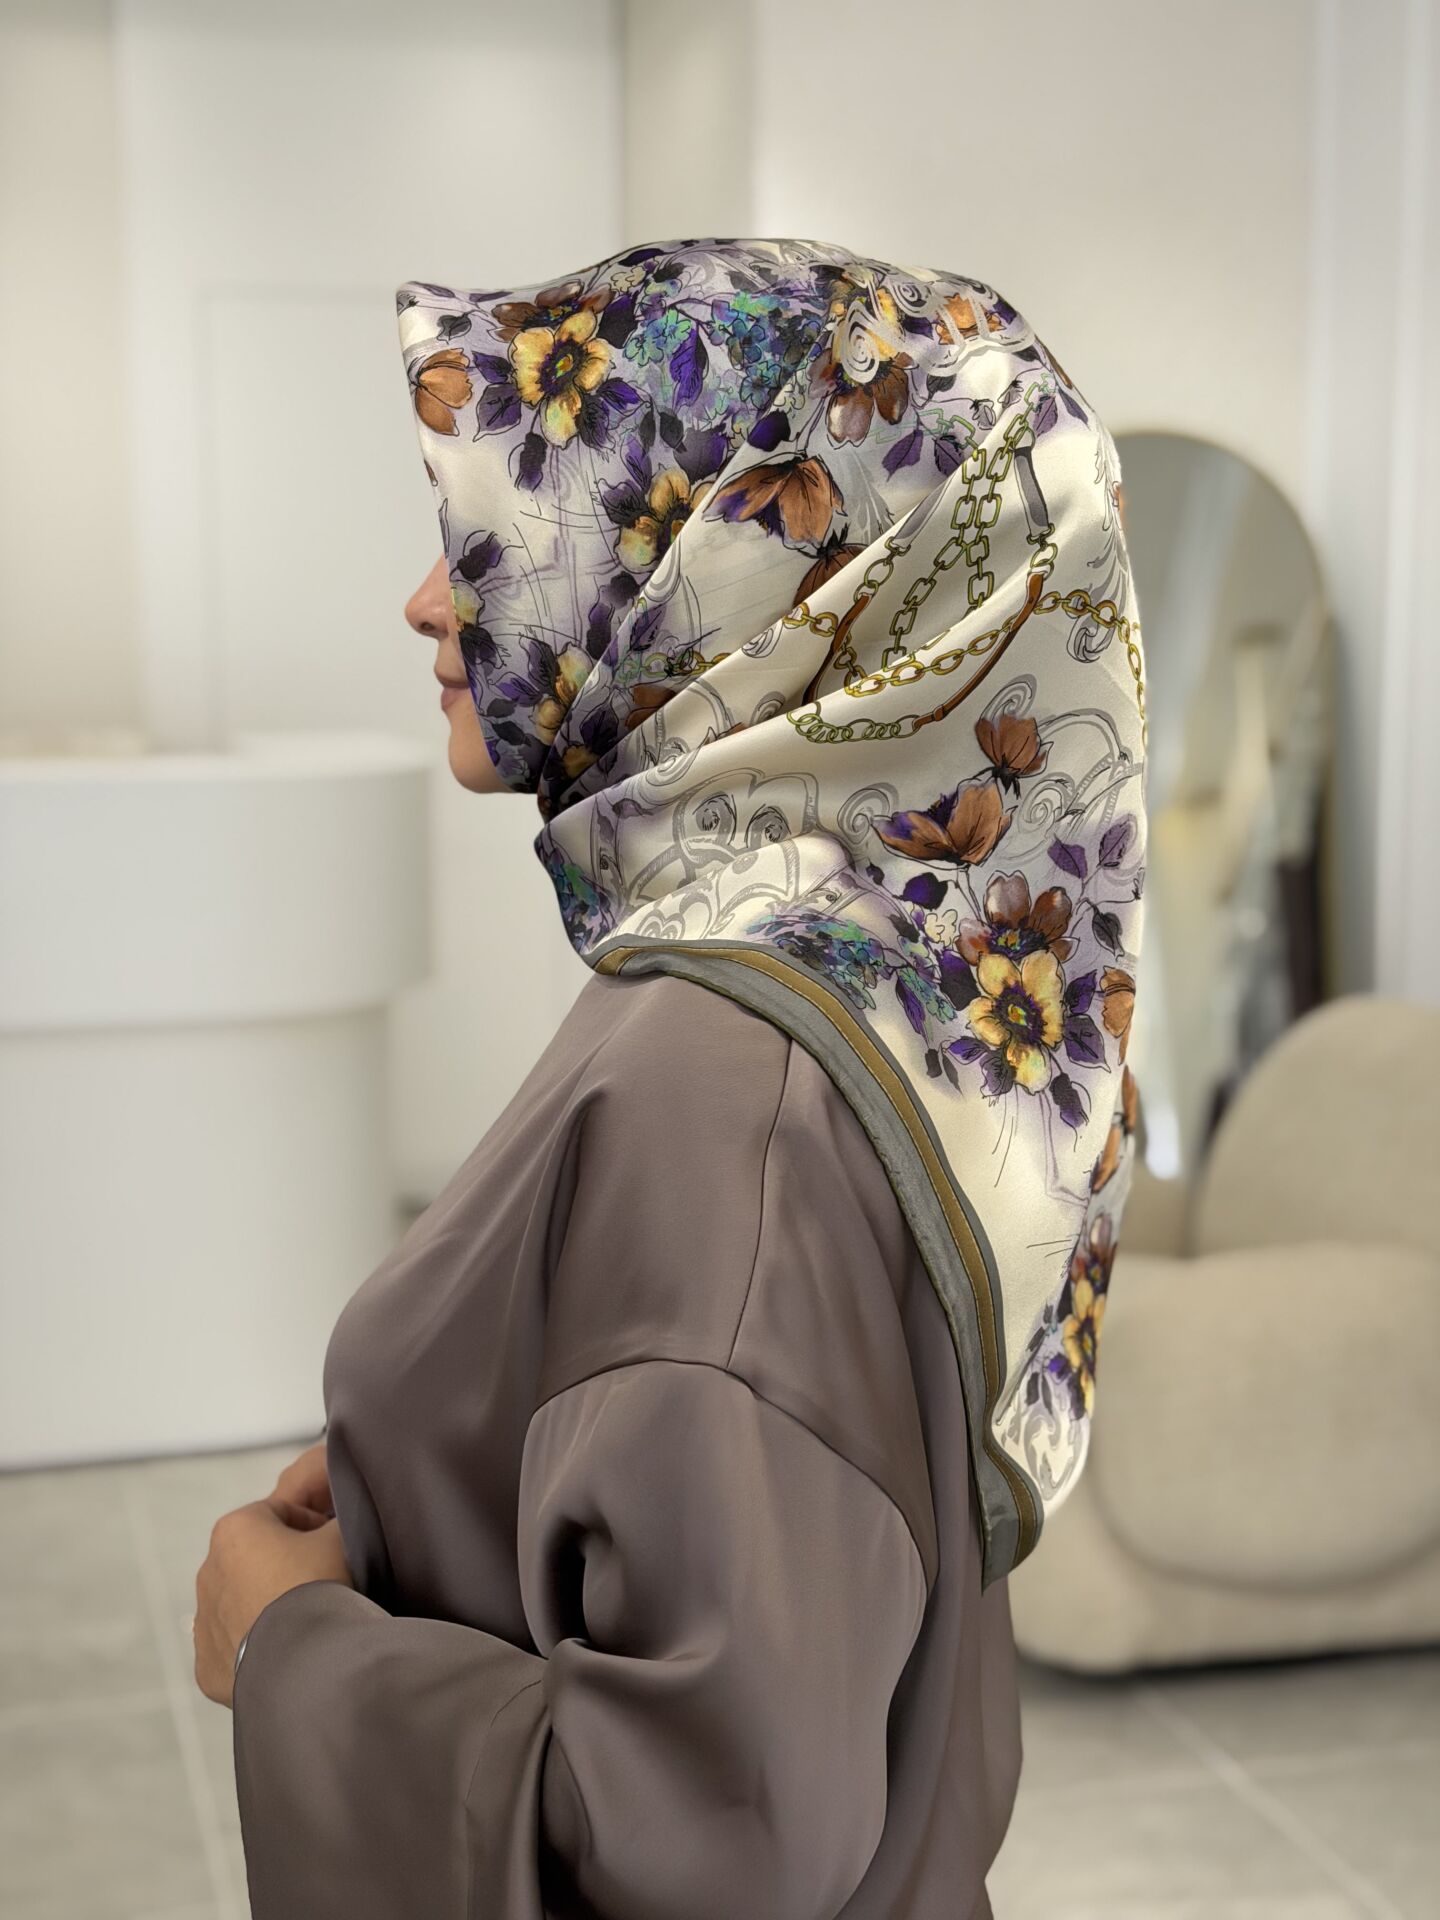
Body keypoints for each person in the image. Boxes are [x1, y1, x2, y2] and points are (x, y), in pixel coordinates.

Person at [193, 237, 1149, 1919]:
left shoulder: (727, 1091)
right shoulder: (883, 980)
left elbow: (713, 1844)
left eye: (501, 539)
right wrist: (455, 1465)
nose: (428, 603)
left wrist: (290, 1650)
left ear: (741, 585)